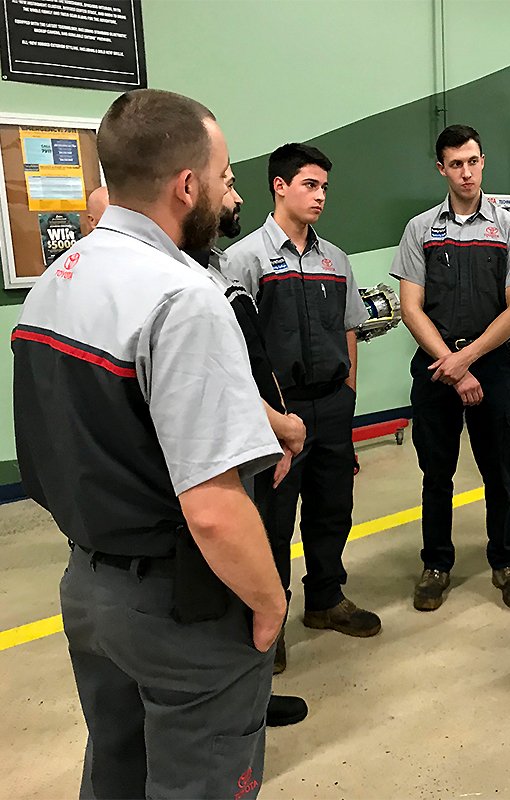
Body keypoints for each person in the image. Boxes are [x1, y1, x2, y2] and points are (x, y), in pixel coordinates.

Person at [12, 89, 287, 798]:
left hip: (88, 590)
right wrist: (269, 600)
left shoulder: (58, 280)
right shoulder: (183, 297)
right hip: (179, 607)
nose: (231, 193)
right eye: (226, 178)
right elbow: (213, 509)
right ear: (187, 185)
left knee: (116, 772)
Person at [224, 143, 380, 671]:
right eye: (310, 185)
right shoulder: (243, 259)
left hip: (332, 407)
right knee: (271, 522)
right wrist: (262, 414)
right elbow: (236, 345)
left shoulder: (335, 259)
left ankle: (326, 599)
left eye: (324, 188)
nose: (320, 196)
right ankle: (271, 619)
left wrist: (349, 393)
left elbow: (349, 328)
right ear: (280, 186)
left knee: (332, 509)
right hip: (276, 415)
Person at [390, 124, 510, 611]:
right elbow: (411, 307)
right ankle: (436, 564)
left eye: (473, 161)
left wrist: (467, 359)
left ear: (483, 161)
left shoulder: (508, 229)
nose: (467, 172)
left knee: (500, 471)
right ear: (441, 169)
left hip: (489, 367)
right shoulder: (420, 230)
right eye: (456, 164)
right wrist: (449, 364)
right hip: (436, 369)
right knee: (437, 473)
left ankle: (506, 562)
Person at [184, 166, 309, 724]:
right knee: (231, 576)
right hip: (227, 453)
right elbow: (219, 379)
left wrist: (278, 422)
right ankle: (237, 704)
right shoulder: (185, 286)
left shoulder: (215, 270)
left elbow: (252, 364)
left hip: (259, 437)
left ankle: (250, 693)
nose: (236, 196)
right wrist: (280, 427)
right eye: (228, 182)